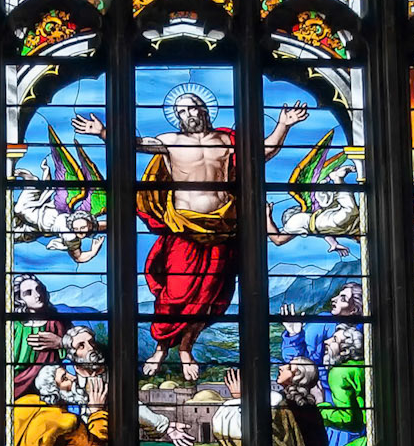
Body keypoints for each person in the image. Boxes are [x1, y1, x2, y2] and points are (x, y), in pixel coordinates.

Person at [75, 92, 308, 381]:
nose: (191, 113)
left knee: (210, 297)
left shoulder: (226, 141)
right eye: (184, 110)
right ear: (177, 116)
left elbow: (263, 152)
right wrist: (103, 133)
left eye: (195, 107)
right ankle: (161, 347)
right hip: (183, 230)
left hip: (222, 230)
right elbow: (134, 144)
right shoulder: (170, 141)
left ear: (206, 110)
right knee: (174, 294)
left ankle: (186, 347)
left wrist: (283, 125)